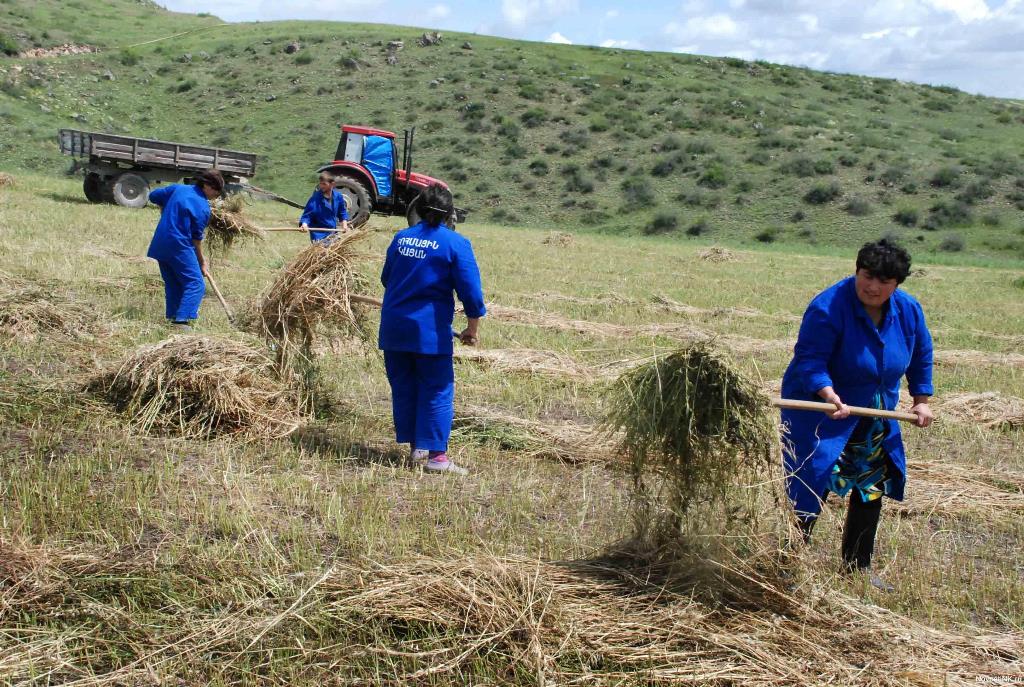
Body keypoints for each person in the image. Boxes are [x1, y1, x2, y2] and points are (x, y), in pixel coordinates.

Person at [780, 238, 934, 590]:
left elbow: (921, 354)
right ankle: (790, 564)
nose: (873, 286)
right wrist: (829, 393)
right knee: (810, 481)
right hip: (820, 411)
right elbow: (810, 358)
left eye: (885, 281)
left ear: (897, 285)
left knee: (871, 485)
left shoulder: (908, 310)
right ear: (856, 271)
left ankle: (857, 565)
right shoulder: (828, 306)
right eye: (867, 276)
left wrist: (921, 399)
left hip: (874, 410)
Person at [379, 183, 485, 475]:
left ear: (418, 208)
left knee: (405, 387)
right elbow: (472, 294)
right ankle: (436, 457)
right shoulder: (456, 244)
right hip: (429, 333)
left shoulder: (401, 238)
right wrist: (472, 329)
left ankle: (418, 447)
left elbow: (387, 279)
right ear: (450, 212)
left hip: (394, 328)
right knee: (437, 389)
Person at [146, 169, 224, 330]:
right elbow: (196, 240)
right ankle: (181, 321)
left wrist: (165, 206)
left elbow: (153, 196)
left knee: (174, 282)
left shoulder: (177, 189)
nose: (217, 195)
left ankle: (173, 318)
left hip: (160, 243)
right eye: (216, 191)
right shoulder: (203, 208)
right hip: (179, 245)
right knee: (196, 284)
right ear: (207, 185)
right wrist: (202, 262)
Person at [299, 172, 350, 242]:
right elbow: (307, 216)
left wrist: (344, 225)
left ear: (332, 184)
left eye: (324, 184)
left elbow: (342, 212)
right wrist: (304, 225)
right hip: (319, 236)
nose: (321, 186)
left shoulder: (338, 196)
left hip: (333, 233)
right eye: (320, 183)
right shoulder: (315, 199)